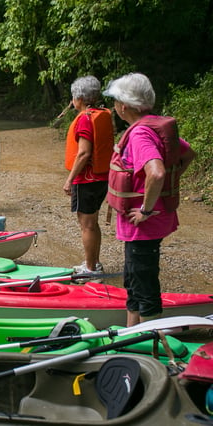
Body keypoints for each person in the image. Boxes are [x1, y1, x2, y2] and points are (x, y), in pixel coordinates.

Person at [102, 72, 196, 326]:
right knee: (133, 279)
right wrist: (166, 187)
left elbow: (157, 171)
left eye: (114, 102)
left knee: (143, 282)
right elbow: (187, 155)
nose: (114, 107)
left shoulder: (141, 135)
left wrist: (146, 208)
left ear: (123, 106)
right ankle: (131, 334)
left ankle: (151, 341)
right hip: (151, 220)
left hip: (144, 223)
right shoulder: (154, 124)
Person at [63, 76, 114, 278]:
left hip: (86, 180)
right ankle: (94, 263)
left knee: (87, 224)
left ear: (80, 98)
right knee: (92, 223)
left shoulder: (85, 118)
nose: (73, 101)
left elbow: (84, 153)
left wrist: (69, 179)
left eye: (73, 97)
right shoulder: (100, 114)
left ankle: (91, 269)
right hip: (100, 178)